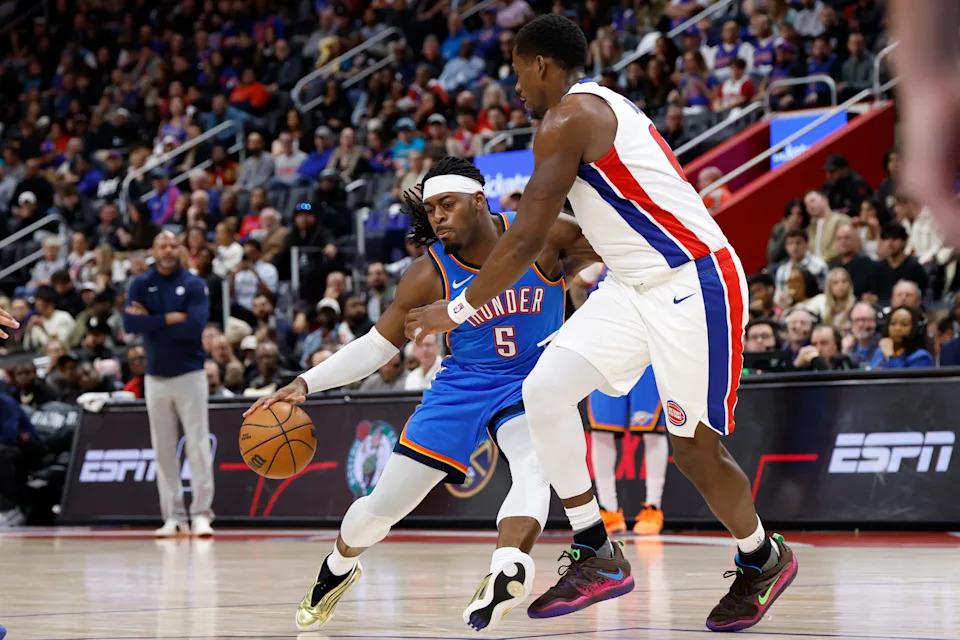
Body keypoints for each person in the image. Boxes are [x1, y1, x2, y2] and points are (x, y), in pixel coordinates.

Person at [405, 16, 797, 630]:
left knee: (692, 449)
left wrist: (455, 309)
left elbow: (527, 237)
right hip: (632, 284)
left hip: (692, 281)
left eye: (516, 73)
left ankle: (762, 557)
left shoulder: (568, 119)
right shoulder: (585, 112)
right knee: (543, 390)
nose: (515, 89)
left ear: (539, 64)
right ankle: (596, 547)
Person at [244, 156, 595, 633]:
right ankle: (339, 565)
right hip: (461, 386)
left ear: (478, 200)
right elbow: (376, 346)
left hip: (530, 379)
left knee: (536, 465)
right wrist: (306, 382)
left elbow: (622, 248)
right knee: (381, 509)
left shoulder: (546, 234)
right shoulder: (427, 273)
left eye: (447, 205)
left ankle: (507, 568)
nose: (438, 218)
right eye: (430, 210)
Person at [122, 231, 214, 538]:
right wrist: (170, 318)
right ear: (154, 250)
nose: (169, 249)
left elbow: (193, 327)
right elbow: (130, 325)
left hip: (190, 374)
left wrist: (154, 321)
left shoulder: (193, 284)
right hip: (155, 376)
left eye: (174, 244)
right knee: (163, 450)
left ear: (181, 249)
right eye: (163, 244)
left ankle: (201, 514)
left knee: (198, 445)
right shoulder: (139, 284)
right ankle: (173, 516)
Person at [573, 262, 669, 537]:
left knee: (653, 431)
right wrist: (582, 299)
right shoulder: (600, 262)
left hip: (646, 353)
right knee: (601, 432)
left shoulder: (652, 258)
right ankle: (608, 509)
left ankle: (653, 507)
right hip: (605, 356)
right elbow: (577, 291)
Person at [869, 305, 934, 369]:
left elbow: (900, 378)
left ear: (916, 329)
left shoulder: (922, 357)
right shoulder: (880, 352)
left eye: (904, 324)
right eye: (893, 323)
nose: (897, 328)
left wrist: (890, 356)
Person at [844, 302, 882, 368]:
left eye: (864, 319)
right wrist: (845, 350)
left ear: (875, 321)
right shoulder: (848, 347)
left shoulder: (883, 344)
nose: (860, 324)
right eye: (856, 320)